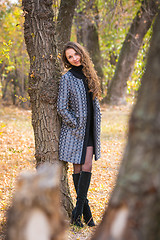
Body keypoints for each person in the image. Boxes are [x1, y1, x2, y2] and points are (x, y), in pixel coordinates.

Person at [57, 41, 101, 227]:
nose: (75, 58)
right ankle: (86, 216)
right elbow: (61, 107)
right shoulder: (67, 78)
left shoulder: (89, 74)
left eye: (76, 54)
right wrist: (74, 123)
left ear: (81, 53)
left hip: (90, 130)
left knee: (87, 166)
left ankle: (78, 212)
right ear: (66, 60)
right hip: (75, 132)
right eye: (70, 57)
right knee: (78, 169)